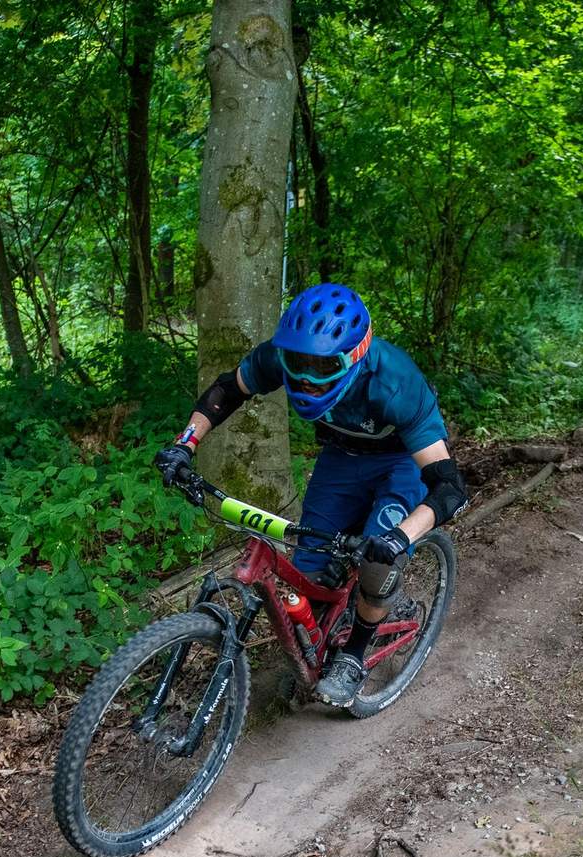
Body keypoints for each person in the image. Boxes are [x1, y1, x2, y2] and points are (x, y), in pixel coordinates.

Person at [154, 283, 468, 708]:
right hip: (341, 458)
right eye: (299, 362)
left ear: (355, 356)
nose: (306, 377)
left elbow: (450, 487)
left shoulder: (394, 382)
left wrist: (398, 538)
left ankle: (353, 657)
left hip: (400, 462)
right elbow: (227, 390)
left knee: (377, 564)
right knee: (309, 573)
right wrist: (184, 445)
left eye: (323, 366)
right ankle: (315, 651)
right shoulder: (281, 356)